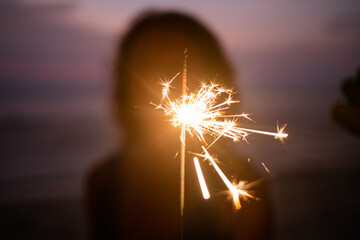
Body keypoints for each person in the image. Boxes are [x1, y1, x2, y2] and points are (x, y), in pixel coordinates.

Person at [86, 11, 272, 239]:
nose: (167, 83)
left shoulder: (240, 184)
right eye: (148, 65)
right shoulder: (104, 180)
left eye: (179, 65)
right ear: (126, 82)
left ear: (214, 79)